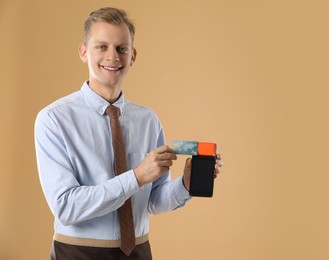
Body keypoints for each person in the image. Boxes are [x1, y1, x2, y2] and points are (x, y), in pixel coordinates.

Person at [34, 7, 223, 260]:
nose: (113, 57)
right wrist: (136, 176)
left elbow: (154, 200)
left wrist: (186, 183)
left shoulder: (148, 120)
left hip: (138, 251)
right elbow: (66, 207)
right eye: (101, 46)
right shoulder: (53, 119)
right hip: (76, 253)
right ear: (83, 52)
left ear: (132, 56)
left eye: (121, 48)